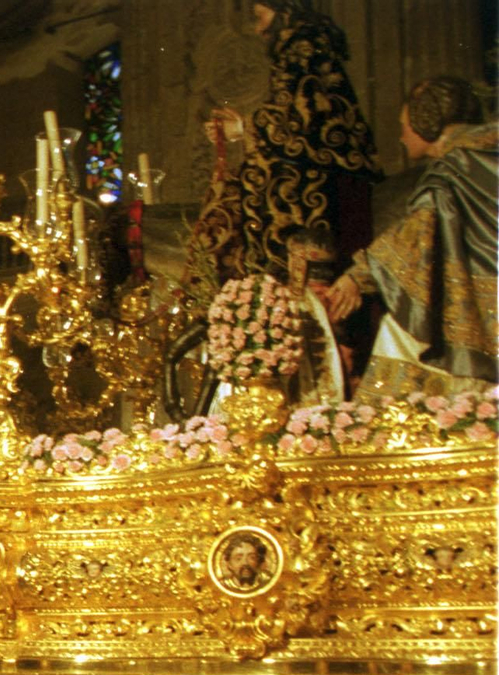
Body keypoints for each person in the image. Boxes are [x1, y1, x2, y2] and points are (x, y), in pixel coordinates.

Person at [324, 77, 497, 398]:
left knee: (403, 345)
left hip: (473, 308)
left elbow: (418, 234)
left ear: (426, 122)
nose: (402, 137)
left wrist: (359, 275)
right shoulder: (488, 153)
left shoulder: (451, 170)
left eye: (404, 125)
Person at [202, 1, 381, 282]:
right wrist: (241, 129)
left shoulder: (301, 41)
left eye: (261, 16)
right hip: (326, 157)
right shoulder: (303, 42)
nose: (259, 28)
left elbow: (304, 117)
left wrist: (242, 126)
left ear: (285, 9)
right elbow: (295, 116)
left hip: (326, 169)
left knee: (242, 191)